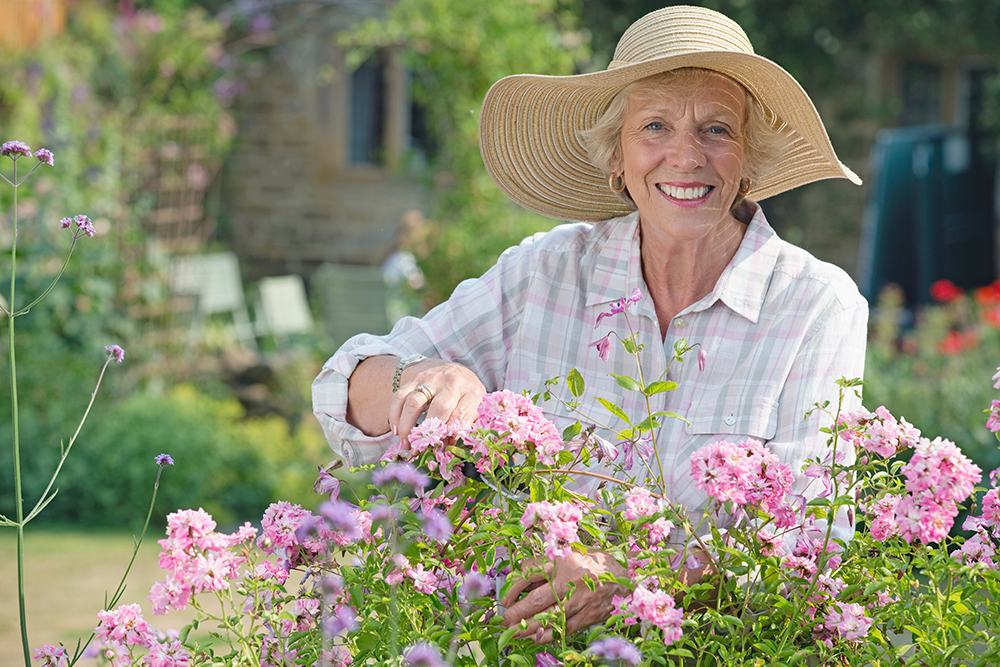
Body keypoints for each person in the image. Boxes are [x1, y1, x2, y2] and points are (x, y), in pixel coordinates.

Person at [313, 5, 867, 643]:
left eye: (717, 129)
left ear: (748, 157)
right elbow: (340, 391)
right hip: (521, 644)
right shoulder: (545, 271)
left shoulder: (815, 305)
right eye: (655, 126)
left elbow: (810, 544)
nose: (686, 157)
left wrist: (633, 576)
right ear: (617, 156)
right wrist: (421, 375)